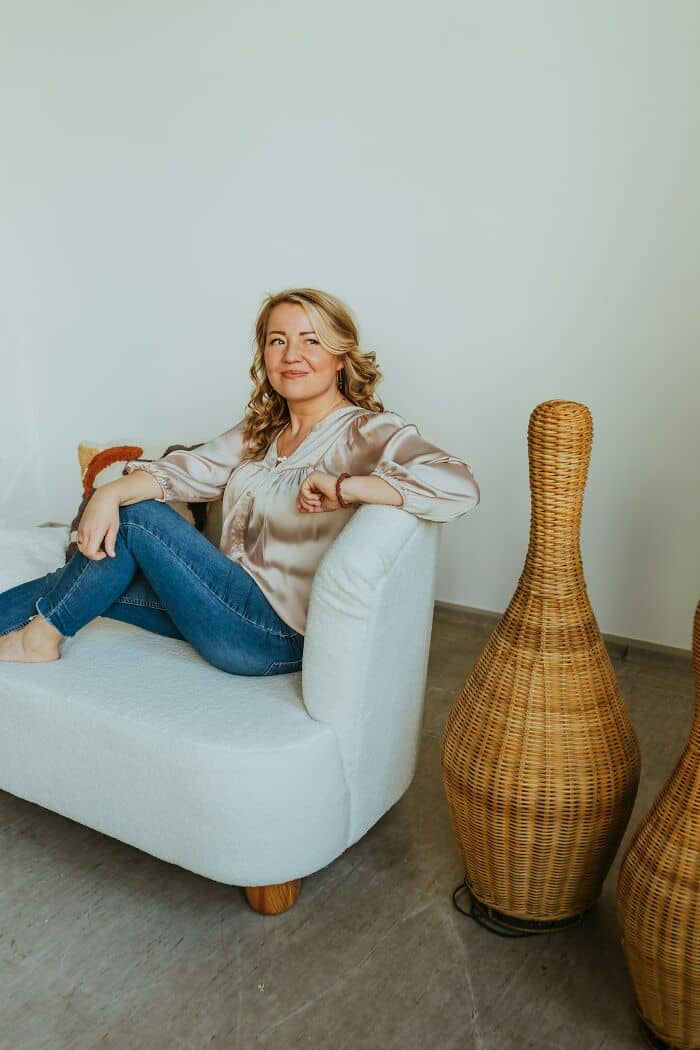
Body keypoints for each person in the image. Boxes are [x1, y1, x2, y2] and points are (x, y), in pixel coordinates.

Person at [0, 287, 480, 673]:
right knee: (84, 577)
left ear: (340, 356)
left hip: (272, 635)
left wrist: (346, 487)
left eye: (311, 340)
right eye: (277, 341)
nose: (291, 355)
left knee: (139, 518)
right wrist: (108, 492)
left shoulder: (366, 432)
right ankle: (30, 633)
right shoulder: (261, 432)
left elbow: (458, 484)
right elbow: (190, 469)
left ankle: (40, 640)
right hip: (221, 606)